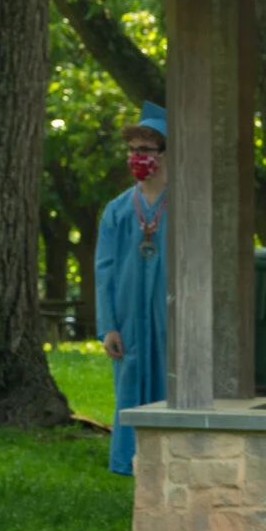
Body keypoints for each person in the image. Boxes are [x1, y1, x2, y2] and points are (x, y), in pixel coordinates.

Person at [94, 104, 170, 475]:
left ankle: (171, 459)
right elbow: (104, 269)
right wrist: (108, 326)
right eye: (132, 150)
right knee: (130, 383)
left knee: (172, 382)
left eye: (146, 150)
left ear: (166, 154)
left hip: (169, 313)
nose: (137, 158)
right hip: (128, 316)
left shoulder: (186, 204)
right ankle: (129, 460)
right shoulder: (118, 209)